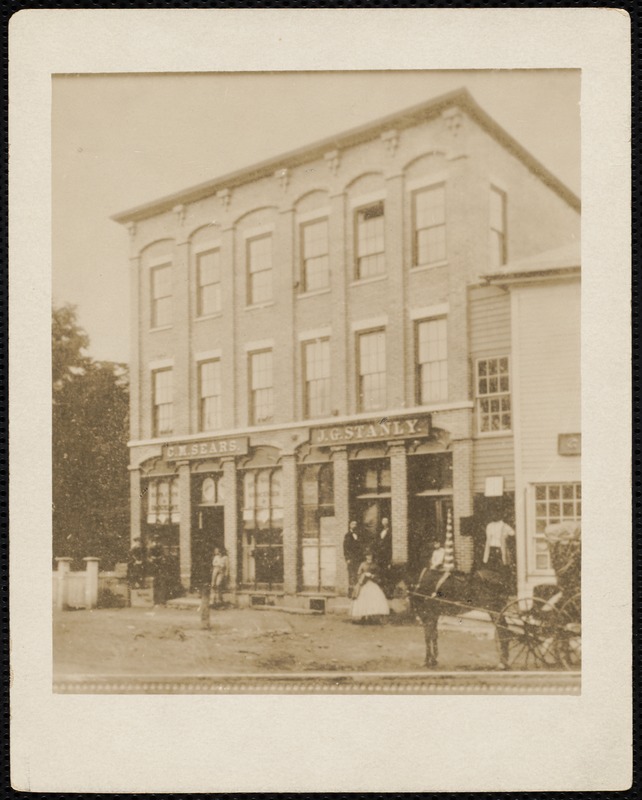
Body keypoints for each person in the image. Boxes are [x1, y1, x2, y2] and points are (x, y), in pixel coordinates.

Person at [350, 551, 390, 624]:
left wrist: (372, 576)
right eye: (368, 555)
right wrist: (364, 574)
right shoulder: (362, 564)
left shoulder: (374, 565)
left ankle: (371, 616)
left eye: (370, 555)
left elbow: (378, 574)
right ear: (366, 556)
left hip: (372, 583)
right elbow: (358, 574)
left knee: (374, 598)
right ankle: (363, 616)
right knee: (363, 599)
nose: (369, 557)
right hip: (364, 583)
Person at [373, 517, 393, 595]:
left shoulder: (390, 532)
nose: (384, 523)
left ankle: (387, 592)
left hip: (386, 556)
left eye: (386, 521)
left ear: (388, 523)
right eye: (383, 521)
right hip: (380, 556)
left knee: (386, 574)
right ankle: (380, 592)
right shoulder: (380, 532)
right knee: (380, 573)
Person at [343, 520, 363, 596]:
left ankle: (358, 593)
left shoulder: (359, 535)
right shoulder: (347, 535)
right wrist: (347, 558)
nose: (354, 525)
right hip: (351, 559)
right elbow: (345, 548)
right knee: (351, 575)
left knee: (358, 575)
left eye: (355, 524)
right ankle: (351, 593)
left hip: (358, 559)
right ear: (350, 525)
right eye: (353, 524)